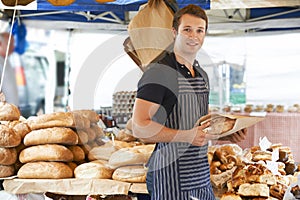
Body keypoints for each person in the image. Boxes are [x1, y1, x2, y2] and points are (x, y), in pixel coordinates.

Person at [132, 4, 247, 200]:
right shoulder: (159, 73)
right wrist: (185, 136)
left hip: (200, 173)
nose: (193, 36)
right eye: (187, 30)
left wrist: (227, 132)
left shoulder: (201, 74)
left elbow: (201, 123)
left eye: (199, 30)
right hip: (169, 175)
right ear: (174, 32)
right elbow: (139, 127)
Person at [0, 32, 18, 106]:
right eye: (9, 44)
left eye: (13, 44)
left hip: (13, 109)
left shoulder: (6, 60)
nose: (13, 47)